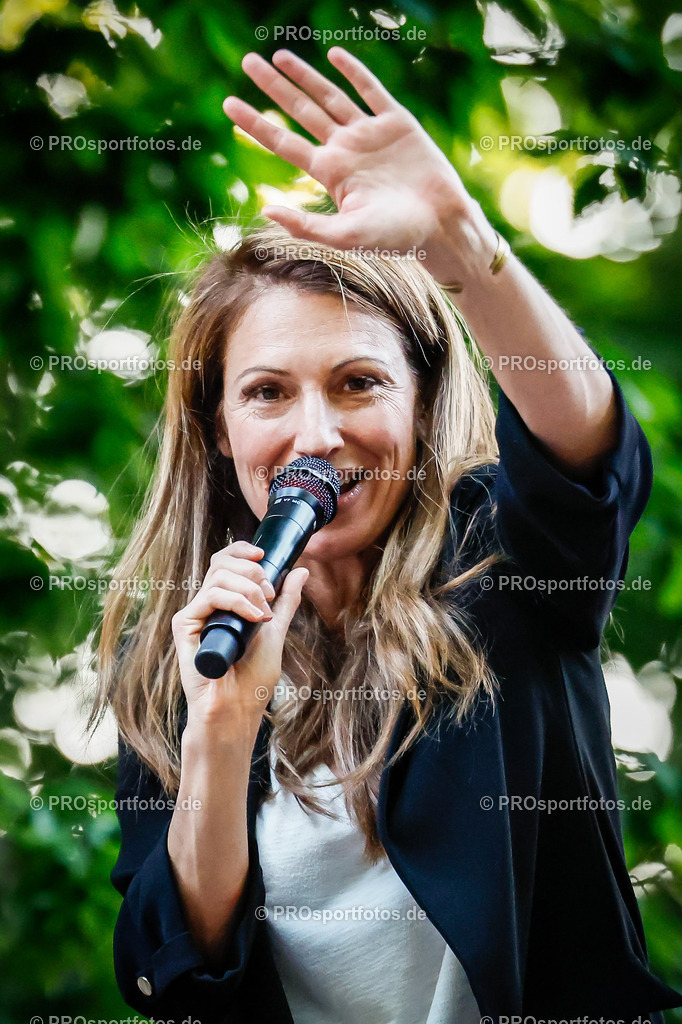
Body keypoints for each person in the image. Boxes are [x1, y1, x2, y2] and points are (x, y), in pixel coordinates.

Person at [92, 47, 682, 1023]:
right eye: (268, 392)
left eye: (358, 382)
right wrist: (221, 728)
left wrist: (460, 240)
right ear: (218, 428)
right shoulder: (183, 655)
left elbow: (589, 456)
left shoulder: (502, 565)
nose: (315, 434)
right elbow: (182, 968)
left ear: (419, 405)